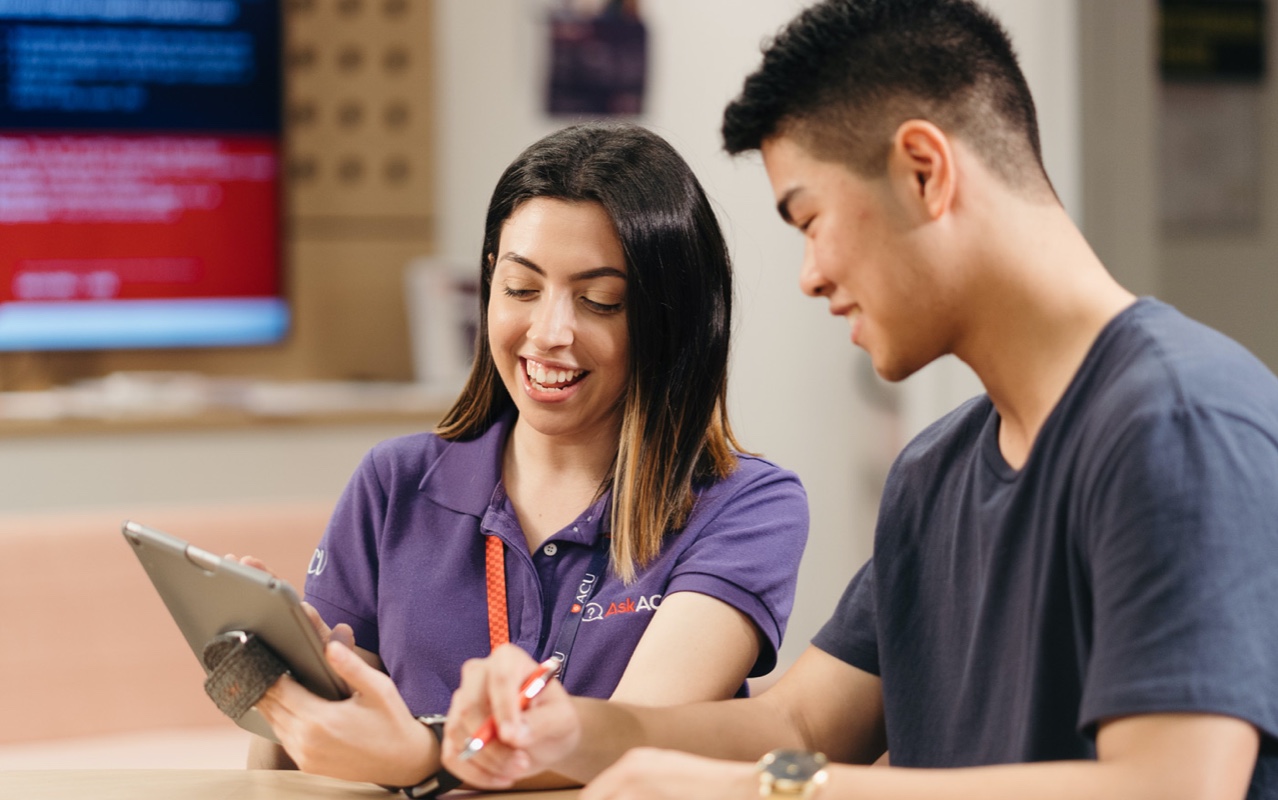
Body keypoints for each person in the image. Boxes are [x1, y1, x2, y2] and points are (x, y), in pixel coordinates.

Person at [439, 1, 1278, 798]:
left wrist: (763, 788)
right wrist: (568, 730)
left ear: (924, 171)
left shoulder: (1178, 425)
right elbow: (797, 722)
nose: (812, 276)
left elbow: (1169, 786)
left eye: (810, 221)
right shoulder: (935, 473)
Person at [243, 122, 809, 793]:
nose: (550, 334)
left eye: (601, 301)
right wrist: (289, 690)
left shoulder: (745, 505)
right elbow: (285, 770)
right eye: (521, 288)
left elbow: (641, 741)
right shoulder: (393, 486)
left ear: (671, 319)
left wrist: (425, 758)